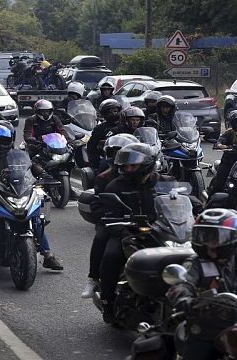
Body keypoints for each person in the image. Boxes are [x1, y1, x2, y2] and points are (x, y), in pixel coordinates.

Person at [98, 143, 200, 322]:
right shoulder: (115, 186)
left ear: (147, 164)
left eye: (133, 165)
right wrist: (122, 230)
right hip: (130, 232)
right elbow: (109, 214)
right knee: (110, 257)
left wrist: (199, 208)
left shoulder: (166, 182)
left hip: (162, 230)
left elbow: (184, 198)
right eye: (125, 166)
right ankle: (108, 300)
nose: (128, 169)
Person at [0, 124, 63, 277]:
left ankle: (47, 256)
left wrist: (45, 175)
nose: (1, 144)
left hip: (15, 191)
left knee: (35, 218)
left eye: (5, 140)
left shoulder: (17, 153)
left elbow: (31, 166)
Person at [166, 208, 237, 360]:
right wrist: (185, 300)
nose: (211, 243)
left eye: (218, 237)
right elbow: (181, 284)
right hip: (208, 322)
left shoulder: (234, 259)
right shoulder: (196, 263)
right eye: (205, 236)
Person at [81, 134, 140, 299]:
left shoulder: (153, 178)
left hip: (145, 224)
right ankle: (95, 280)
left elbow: (171, 194)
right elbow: (98, 203)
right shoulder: (106, 178)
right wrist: (110, 218)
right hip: (115, 222)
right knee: (104, 244)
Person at [23, 99, 79, 197]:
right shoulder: (31, 120)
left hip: (52, 145)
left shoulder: (54, 119)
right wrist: (33, 140)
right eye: (43, 111)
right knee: (30, 161)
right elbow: (27, 134)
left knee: (68, 162)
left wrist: (69, 141)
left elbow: (62, 131)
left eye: (47, 111)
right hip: (36, 145)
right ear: (37, 112)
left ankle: (68, 189)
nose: (45, 113)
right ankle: (31, 186)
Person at [86, 99, 122, 170]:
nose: (113, 114)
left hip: (126, 156)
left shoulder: (124, 125)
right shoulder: (99, 128)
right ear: (104, 114)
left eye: (115, 111)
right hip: (109, 158)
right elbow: (91, 147)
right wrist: (94, 162)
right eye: (109, 112)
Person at [208, 110, 237, 196]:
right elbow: (219, 142)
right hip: (228, 163)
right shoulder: (229, 133)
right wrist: (222, 146)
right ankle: (208, 204)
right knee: (219, 184)